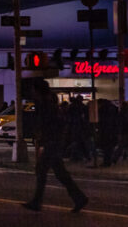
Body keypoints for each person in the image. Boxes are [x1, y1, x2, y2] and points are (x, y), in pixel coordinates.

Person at [22, 79, 88, 213]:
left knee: (43, 170)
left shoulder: (46, 104)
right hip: (53, 141)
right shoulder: (49, 103)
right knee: (59, 172)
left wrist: (45, 140)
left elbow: (49, 124)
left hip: (52, 141)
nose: (32, 92)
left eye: (34, 90)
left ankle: (37, 201)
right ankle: (78, 197)